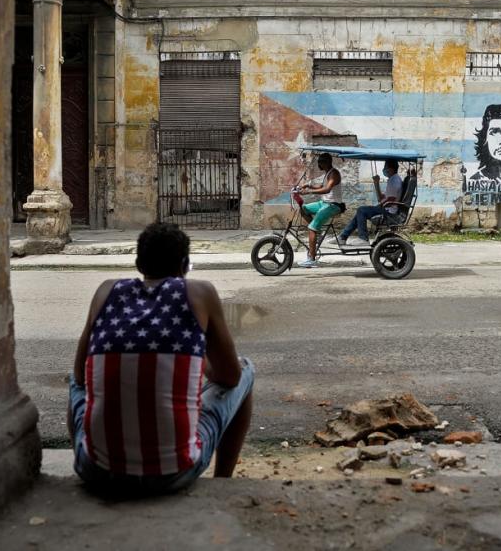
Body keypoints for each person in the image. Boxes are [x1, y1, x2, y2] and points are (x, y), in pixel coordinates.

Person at [68, 222, 254, 494]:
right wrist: (197, 359)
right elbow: (230, 377)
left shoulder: (105, 291)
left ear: (138, 263)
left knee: (76, 385)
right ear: (184, 265)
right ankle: (222, 482)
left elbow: (79, 374)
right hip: (173, 474)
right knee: (246, 370)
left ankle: (90, 452)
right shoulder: (200, 293)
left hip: (97, 473)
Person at [338, 158, 403, 246]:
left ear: (391, 168)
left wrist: (379, 205)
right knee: (360, 212)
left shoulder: (394, 181)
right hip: (387, 208)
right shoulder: (393, 179)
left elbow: (390, 201)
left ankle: (363, 238)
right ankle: (343, 237)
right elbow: (381, 198)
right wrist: (376, 183)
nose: (384, 170)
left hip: (389, 211)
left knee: (362, 210)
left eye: (385, 167)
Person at [295, 152, 344, 268]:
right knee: (304, 209)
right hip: (324, 203)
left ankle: (312, 259)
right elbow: (322, 187)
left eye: (320, 162)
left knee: (311, 228)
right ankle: (318, 232)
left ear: (325, 162)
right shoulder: (328, 173)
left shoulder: (334, 174)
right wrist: (308, 186)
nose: (318, 164)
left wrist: (308, 192)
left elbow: (327, 189)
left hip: (333, 205)